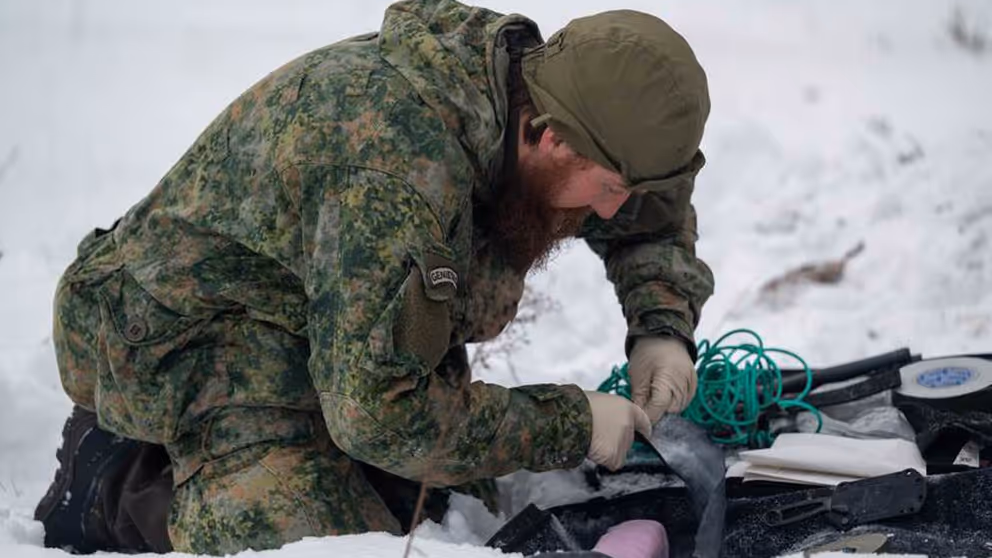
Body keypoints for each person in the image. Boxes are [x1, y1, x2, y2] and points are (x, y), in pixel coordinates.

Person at [34, 0, 714, 554]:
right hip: (180, 335)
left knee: (445, 505)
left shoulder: (533, 101)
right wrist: (571, 421)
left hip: (327, 313)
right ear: (548, 134)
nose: (611, 209)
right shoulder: (394, 167)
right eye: (608, 186)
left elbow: (649, 207)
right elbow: (381, 414)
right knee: (318, 540)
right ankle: (113, 481)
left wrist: (662, 327)